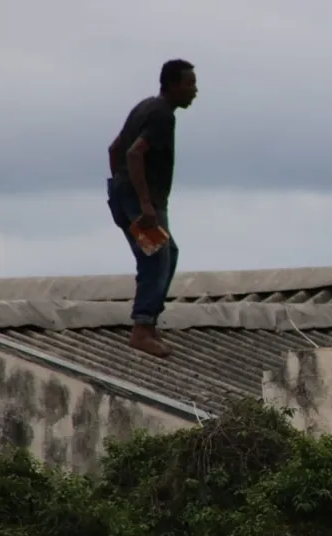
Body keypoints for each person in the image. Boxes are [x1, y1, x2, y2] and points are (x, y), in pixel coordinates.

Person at [106, 59, 198, 357]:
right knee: (156, 256)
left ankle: (149, 324)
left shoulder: (145, 107)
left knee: (167, 253)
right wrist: (143, 202)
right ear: (172, 85)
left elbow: (114, 148)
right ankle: (142, 328)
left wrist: (118, 185)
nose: (194, 91)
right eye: (190, 84)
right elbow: (133, 154)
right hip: (142, 201)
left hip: (125, 194)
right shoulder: (161, 115)